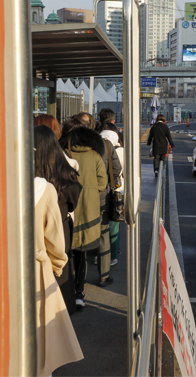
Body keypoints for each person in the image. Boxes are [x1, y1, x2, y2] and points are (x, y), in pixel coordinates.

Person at [32, 175, 84, 375]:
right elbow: (55, 240)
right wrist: (58, 265)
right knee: (38, 342)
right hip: (36, 272)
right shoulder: (43, 189)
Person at [34, 125, 82, 315]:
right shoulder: (65, 170)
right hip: (61, 232)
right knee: (60, 290)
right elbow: (74, 198)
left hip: (34, 247)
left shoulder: (21, 175)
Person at [60, 118, 108, 307]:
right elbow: (102, 182)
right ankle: (80, 292)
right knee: (82, 251)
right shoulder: (95, 155)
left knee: (66, 248)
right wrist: (90, 191)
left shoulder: (64, 152)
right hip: (89, 206)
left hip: (67, 205)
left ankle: (66, 291)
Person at [78, 111, 120, 287]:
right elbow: (116, 168)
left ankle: (78, 282)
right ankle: (103, 276)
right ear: (95, 126)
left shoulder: (70, 144)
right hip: (101, 196)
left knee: (78, 234)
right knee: (104, 235)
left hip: (78, 196)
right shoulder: (106, 145)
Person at [99, 119, 123, 267]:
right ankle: (113, 255)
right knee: (114, 225)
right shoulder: (122, 151)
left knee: (99, 225)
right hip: (117, 192)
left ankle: (97, 255)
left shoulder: (96, 148)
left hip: (99, 191)